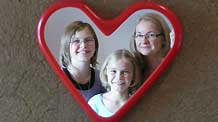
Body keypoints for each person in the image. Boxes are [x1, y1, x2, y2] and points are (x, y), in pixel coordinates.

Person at [59, 21, 106, 101]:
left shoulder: (103, 78)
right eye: (76, 41)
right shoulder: (59, 79)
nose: (83, 45)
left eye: (88, 40)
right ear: (66, 46)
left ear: (95, 45)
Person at [88, 49, 138, 117]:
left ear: (133, 75)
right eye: (113, 71)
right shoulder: (95, 103)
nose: (119, 77)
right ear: (106, 73)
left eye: (125, 72)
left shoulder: (138, 104)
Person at [130, 13, 171, 83]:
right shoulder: (131, 66)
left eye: (151, 35)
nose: (144, 41)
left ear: (164, 39)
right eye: (139, 35)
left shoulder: (173, 65)